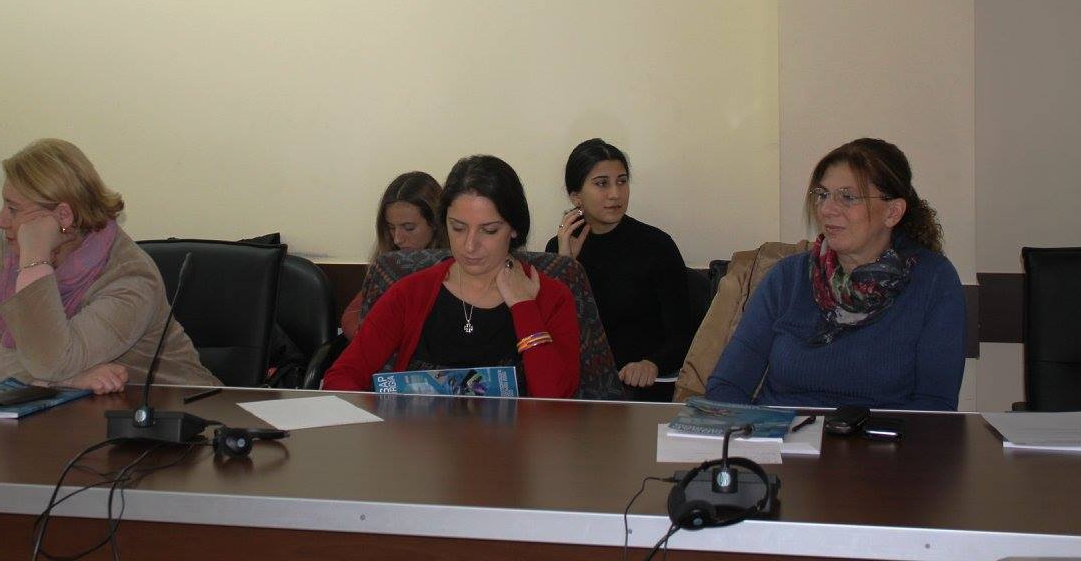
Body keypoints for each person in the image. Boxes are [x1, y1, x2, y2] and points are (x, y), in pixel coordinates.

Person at [706, 138, 965, 410]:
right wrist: (756, 431)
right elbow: (726, 386)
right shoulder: (788, 278)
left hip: (881, 435)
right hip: (780, 432)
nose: (827, 209)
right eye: (822, 194)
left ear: (892, 212)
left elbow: (935, 408)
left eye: (848, 197)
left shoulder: (934, 281)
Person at [0, 138, 216, 393]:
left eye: (13, 209)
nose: (0, 221)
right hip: (77, 408)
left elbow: (52, 363)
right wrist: (65, 381)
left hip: (177, 406)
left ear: (63, 216)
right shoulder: (9, 249)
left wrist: (34, 262)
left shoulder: (131, 278)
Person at [324, 155, 580, 397]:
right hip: (416, 430)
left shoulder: (552, 296)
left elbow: (555, 399)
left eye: (489, 230)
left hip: (518, 431)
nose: (469, 245)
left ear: (514, 229)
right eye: (458, 228)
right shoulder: (411, 292)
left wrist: (524, 307)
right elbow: (342, 375)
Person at [545, 139, 690, 401]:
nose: (615, 194)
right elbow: (553, 334)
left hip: (642, 385)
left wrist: (652, 363)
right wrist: (567, 266)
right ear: (576, 196)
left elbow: (684, 333)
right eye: (602, 183)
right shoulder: (558, 247)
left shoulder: (656, 245)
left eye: (622, 182)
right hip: (581, 387)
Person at [339, 171, 447, 339]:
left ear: (435, 223)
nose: (397, 238)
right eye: (391, 227)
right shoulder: (389, 264)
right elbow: (351, 317)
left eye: (409, 228)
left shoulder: (455, 266)